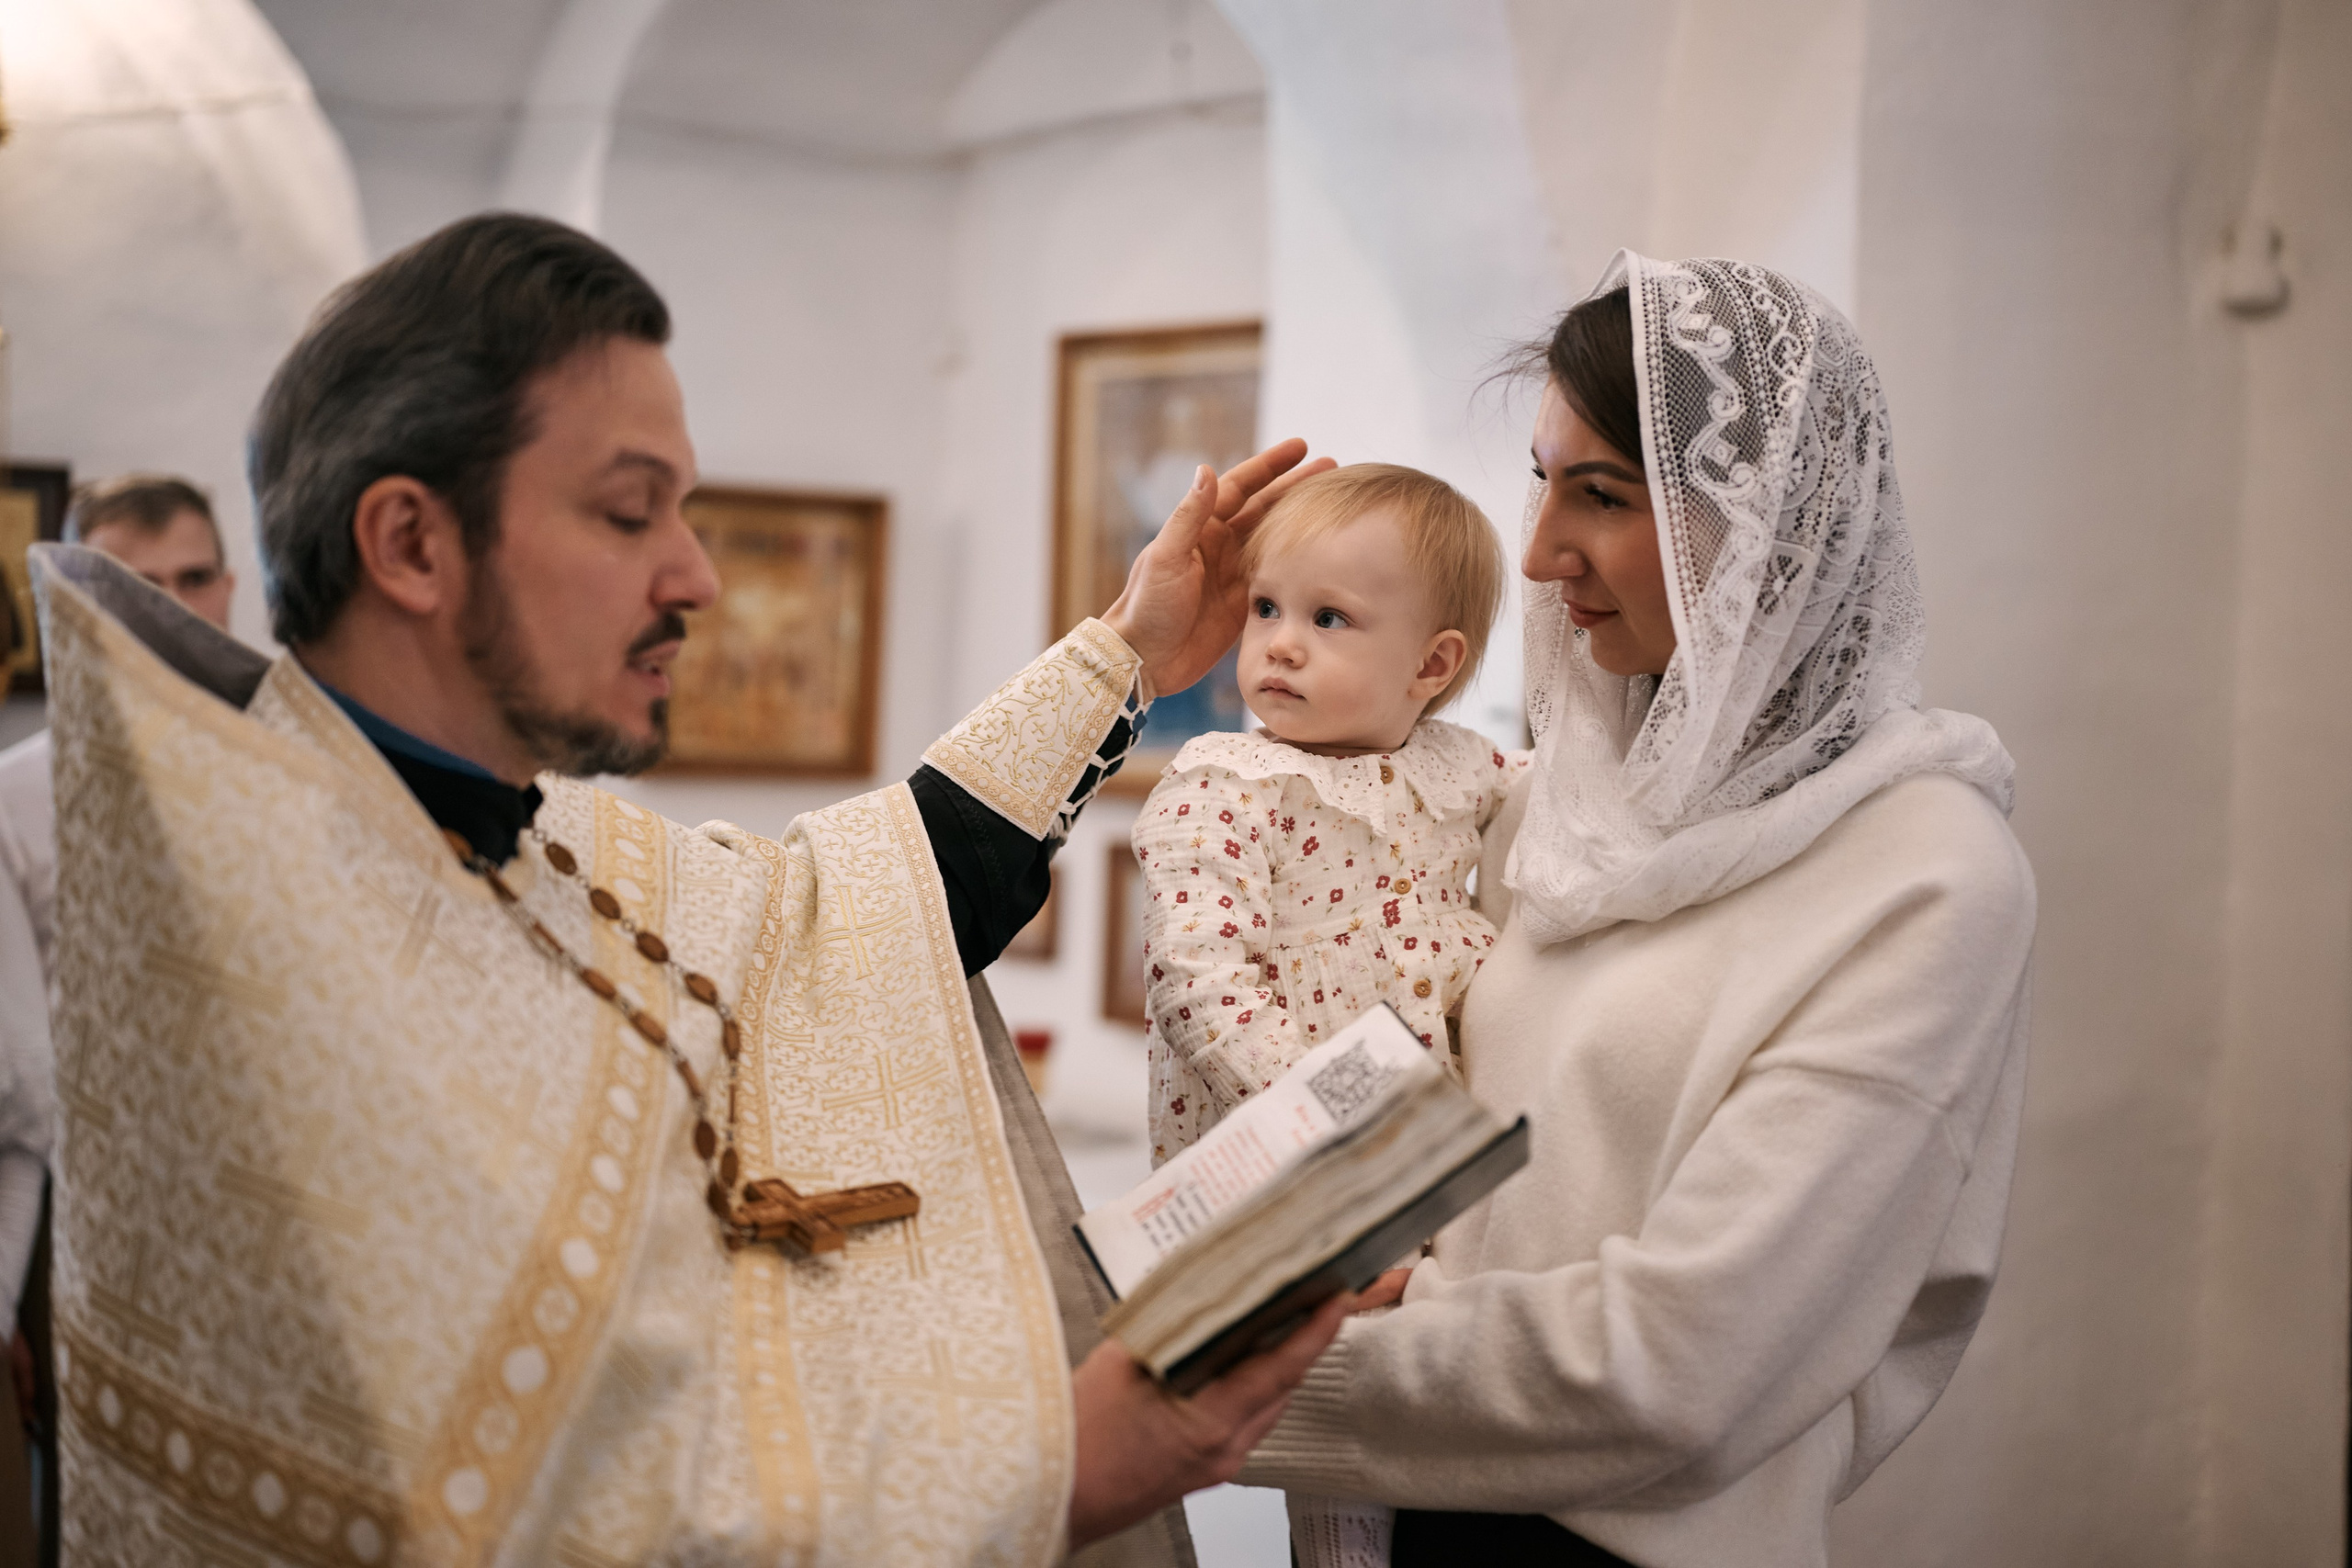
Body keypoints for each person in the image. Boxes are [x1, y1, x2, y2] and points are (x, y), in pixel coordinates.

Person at [30, 213, 1369, 1565]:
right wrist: (1065, 1466)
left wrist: (1128, 651)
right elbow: (528, 1523)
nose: (699, 575)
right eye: (630, 512)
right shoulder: (273, 972)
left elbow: (847, 913)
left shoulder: (522, 839)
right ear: (412, 544)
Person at [1237, 255, 2034, 1568]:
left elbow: (1677, 1365)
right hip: (1412, 1502)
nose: (1539, 552)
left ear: (1768, 523)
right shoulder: (1549, 810)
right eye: (1543, 481)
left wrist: (1195, 1388)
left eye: (1602, 495)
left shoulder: (1924, 873)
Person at [1133, 462, 1521, 1567]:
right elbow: (1199, 977)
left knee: (1433, 1439)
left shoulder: (1461, 768)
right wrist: (1328, 1128)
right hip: (1294, 1163)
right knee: (1335, 1458)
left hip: (1431, 1159)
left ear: (1432, 666)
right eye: (1266, 608)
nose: (1279, 645)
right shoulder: (1223, 783)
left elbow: (1567, 801)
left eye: (1328, 618)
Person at [0, 474, 240, 1566]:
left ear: (229, 587)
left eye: (194, 578)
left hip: (265, 1194)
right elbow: (17, 1083)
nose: (173, 610)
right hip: (87, 1211)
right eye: (138, 585)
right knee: (98, 1506)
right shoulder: (13, 801)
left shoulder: (301, 775)